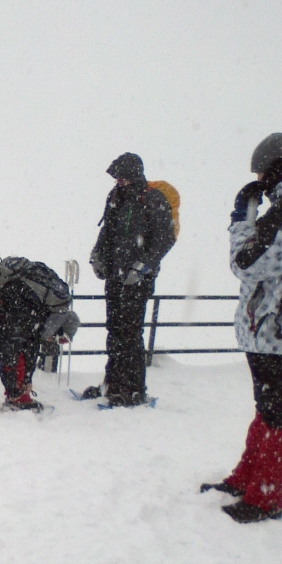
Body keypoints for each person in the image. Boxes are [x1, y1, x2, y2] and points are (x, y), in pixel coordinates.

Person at [202, 133, 282, 522]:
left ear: (278, 164)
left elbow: (249, 264)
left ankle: (266, 496)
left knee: (280, 412)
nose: (259, 177)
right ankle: (250, 478)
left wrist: (242, 219)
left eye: (262, 170)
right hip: (277, 325)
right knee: (269, 407)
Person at [86, 152, 175, 406]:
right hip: (116, 275)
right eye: (117, 177)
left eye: (122, 177)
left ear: (133, 175)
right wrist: (98, 254)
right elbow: (107, 230)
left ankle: (133, 389)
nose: (118, 181)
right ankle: (112, 384)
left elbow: (164, 238)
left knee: (130, 332)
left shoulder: (152, 199)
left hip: (137, 280)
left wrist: (142, 266)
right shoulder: (116, 197)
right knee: (114, 330)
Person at [0, 256, 80, 411]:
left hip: (3, 299)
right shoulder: (40, 314)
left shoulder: (44, 306)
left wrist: (27, 379)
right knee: (12, 348)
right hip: (13, 303)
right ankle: (18, 399)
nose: (53, 340)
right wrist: (21, 387)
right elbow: (22, 350)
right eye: (60, 338)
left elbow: (30, 348)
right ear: (59, 326)